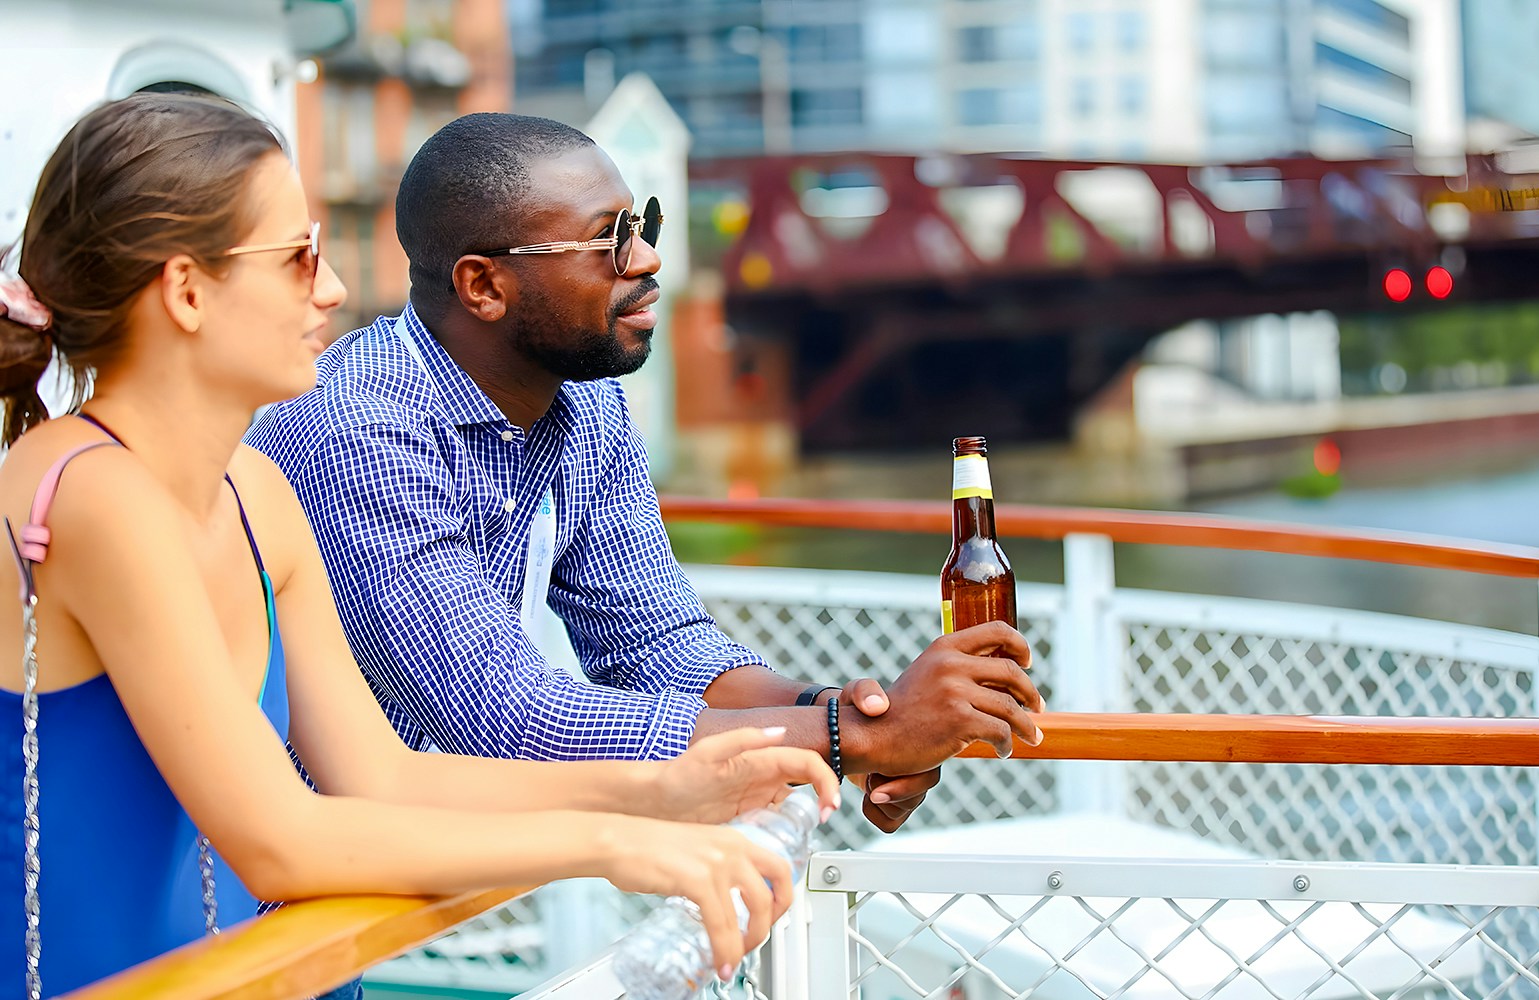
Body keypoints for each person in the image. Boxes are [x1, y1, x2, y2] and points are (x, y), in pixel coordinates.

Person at [0, 92, 838, 997]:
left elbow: (381, 775)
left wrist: (662, 793)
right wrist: (613, 841)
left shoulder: (258, 493)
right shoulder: (88, 494)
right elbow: (281, 841)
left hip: (266, 974)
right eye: (297, 258)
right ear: (187, 291)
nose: (332, 288)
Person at [246, 112, 1046, 835]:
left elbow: (661, 647)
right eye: (608, 238)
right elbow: (507, 721)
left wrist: (848, 713)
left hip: (354, 859)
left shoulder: (584, 403)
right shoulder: (358, 428)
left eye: (644, 223)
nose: (649, 257)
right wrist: (860, 736)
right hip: (232, 881)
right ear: (484, 286)